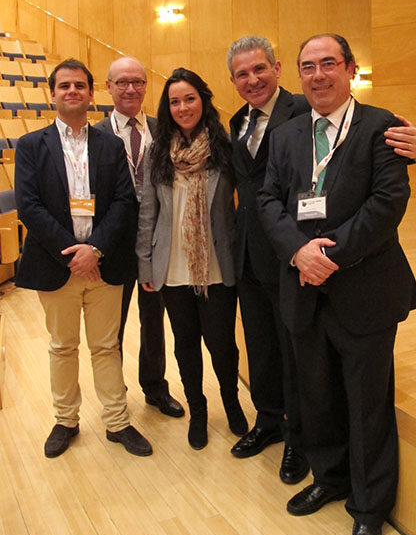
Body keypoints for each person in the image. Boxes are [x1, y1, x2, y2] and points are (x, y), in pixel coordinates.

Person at [227, 35, 416, 485]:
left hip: (361, 282)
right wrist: (299, 252)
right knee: (316, 393)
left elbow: (387, 202)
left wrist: (325, 255)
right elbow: (266, 198)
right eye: (309, 66)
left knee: (367, 401)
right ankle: (329, 481)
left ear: (351, 68)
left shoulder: (380, 125)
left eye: (329, 63)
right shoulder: (279, 133)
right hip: (297, 279)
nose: (319, 75)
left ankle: (368, 504)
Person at [15, 58, 152, 459]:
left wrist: (95, 249)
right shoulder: (31, 145)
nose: (72, 91)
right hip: (55, 264)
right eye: (64, 86)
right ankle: (66, 420)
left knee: (106, 346)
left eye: (79, 85)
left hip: (104, 264)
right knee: (62, 346)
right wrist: (73, 255)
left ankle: (117, 422)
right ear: (52, 94)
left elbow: (124, 201)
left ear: (92, 94)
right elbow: (29, 206)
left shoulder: (110, 145)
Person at [136, 68, 247, 449]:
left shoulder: (224, 147)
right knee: (185, 343)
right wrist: (145, 263)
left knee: (222, 344)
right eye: (174, 101)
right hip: (172, 266)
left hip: (216, 263)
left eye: (189, 98)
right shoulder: (157, 151)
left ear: (203, 100)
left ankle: (231, 403)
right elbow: (148, 212)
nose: (183, 107)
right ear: (167, 108)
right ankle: (198, 411)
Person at [95, 56, 184, 418]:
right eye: (122, 82)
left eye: (138, 82)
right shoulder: (95, 135)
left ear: (147, 86)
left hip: (155, 242)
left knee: (154, 321)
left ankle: (155, 388)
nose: (130, 89)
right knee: (110, 327)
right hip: (112, 245)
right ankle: (114, 394)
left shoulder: (165, 130)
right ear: (108, 87)